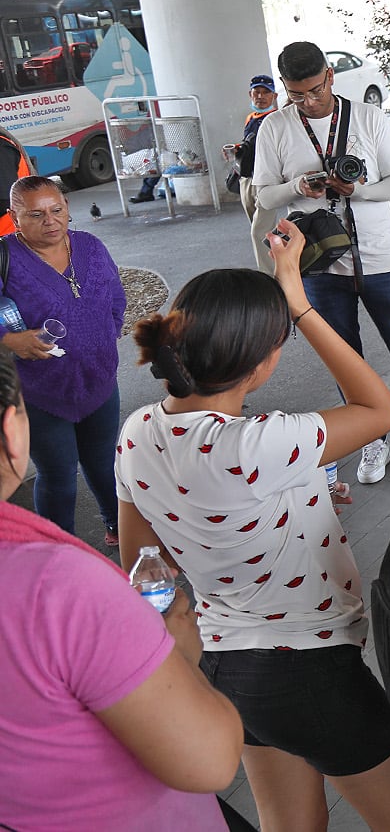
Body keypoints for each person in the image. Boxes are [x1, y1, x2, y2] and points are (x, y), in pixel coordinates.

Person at [115, 224, 390, 831]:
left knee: (289, 824)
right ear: (259, 365)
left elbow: (144, 563)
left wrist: (269, 517)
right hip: (306, 668)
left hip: (224, 661)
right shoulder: (260, 443)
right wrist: (303, 305)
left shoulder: (138, 431)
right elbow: (380, 410)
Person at [0, 352, 244, 831]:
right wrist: (176, 655)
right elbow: (212, 760)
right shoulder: (57, 588)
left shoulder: (138, 430)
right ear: (11, 426)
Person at [254, 41, 390, 487]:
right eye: (297, 94)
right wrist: (297, 185)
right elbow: (263, 195)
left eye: (315, 90)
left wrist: (359, 191)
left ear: (330, 76)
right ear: (285, 87)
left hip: (378, 256)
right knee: (344, 359)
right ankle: (371, 439)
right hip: (319, 263)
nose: (308, 101)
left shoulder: (369, 118)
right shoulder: (274, 128)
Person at [0, 176, 124, 545]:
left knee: (105, 465)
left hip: (100, 381)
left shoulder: (90, 246)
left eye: (57, 210)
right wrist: (8, 340)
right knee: (58, 475)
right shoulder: (5, 257)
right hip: (39, 392)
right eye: (35, 215)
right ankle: (58, 550)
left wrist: (104, 338)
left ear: (68, 209)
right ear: (14, 217)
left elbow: (115, 297)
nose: (50, 221)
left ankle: (119, 529)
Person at [228, 75, 280, 275]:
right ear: (250, 94)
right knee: (261, 229)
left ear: (274, 95)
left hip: (266, 179)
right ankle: (277, 266)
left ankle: (270, 276)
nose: (260, 96)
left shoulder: (276, 118)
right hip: (247, 177)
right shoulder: (251, 118)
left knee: (260, 231)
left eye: (266, 92)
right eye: (257, 92)